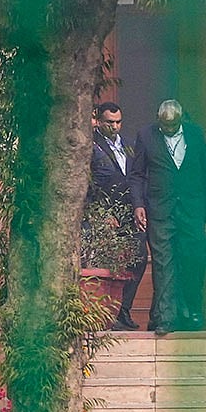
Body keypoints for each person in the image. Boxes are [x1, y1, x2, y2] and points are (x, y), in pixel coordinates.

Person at [130, 99, 206, 334]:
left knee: (194, 260)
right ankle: (165, 319)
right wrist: (138, 204)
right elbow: (137, 174)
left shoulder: (195, 134)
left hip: (192, 210)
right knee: (163, 264)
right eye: (164, 125)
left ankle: (192, 309)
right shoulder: (146, 135)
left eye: (172, 125)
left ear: (180, 119)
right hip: (160, 209)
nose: (168, 129)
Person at [88, 101, 147, 331]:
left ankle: (124, 309)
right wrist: (102, 213)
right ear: (99, 122)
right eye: (109, 122)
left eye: (118, 122)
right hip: (105, 213)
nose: (114, 127)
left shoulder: (130, 145)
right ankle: (108, 313)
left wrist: (139, 206)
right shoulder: (91, 145)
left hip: (131, 210)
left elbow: (138, 176)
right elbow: (89, 183)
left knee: (139, 257)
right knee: (110, 264)